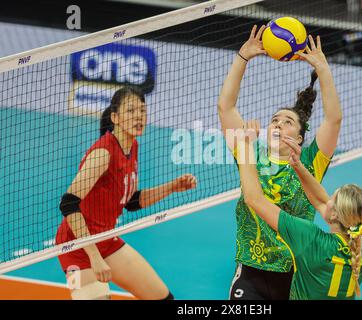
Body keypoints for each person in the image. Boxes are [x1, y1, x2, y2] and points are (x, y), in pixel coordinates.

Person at [218, 25, 343, 299]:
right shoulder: (250, 151)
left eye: (288, 122)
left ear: (299, 139)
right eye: (275, 120)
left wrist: (323, 69)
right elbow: (226, 108)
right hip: (250, 272)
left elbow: (333, 119)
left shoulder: (310, 162)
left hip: (294, 276)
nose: (278, 124)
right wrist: (242, 57)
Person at [56, 86, 197, 300]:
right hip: (77, 247)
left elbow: (130, 201)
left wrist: (171, 187)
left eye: (142, 110)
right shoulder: (103, 153)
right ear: (115, 117)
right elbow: (68, 203)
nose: (138, 116)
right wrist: (93, 256)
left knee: (163, 298)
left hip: (106, 239)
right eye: (131, 111)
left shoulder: (132, 147)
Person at [235, 120, 362, 299]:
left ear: (334, 213)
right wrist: (298, 166)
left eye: (332, 197)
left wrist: (246, 146)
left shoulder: (311, 239)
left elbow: (254, 199)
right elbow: (321, 202)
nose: (327, 197)